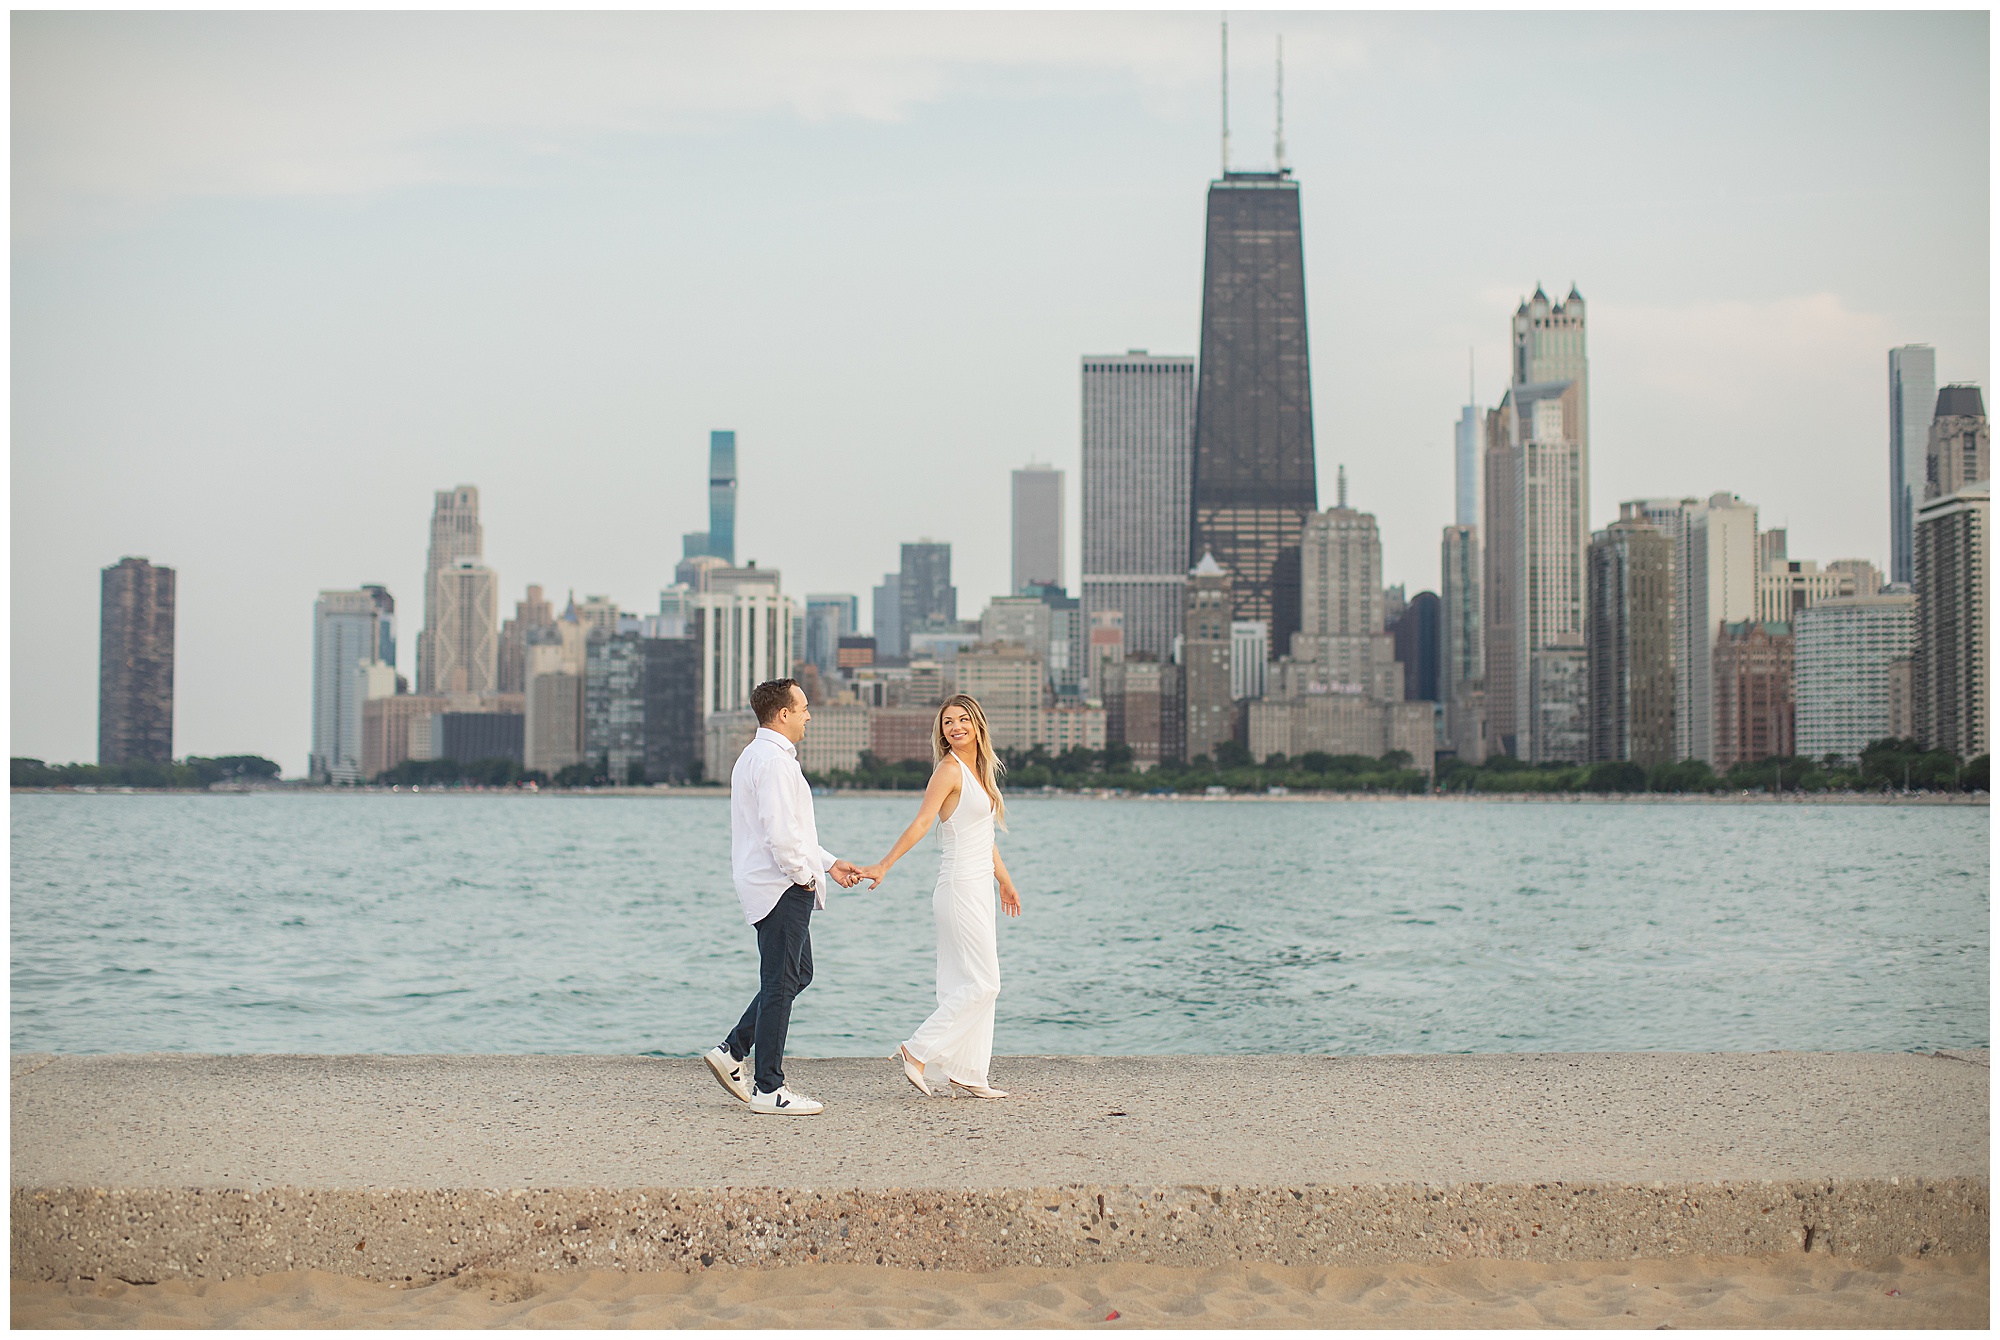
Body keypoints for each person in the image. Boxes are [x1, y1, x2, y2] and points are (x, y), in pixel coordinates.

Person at [703, 678, 861, 1116]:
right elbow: (780, 835)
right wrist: (804, 877)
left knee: (796, 975)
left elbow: (793, 831)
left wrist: (828, 863)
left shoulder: (759, 757)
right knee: (779, 984)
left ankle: (733, 1050)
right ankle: (769, 1089)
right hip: (781, 887)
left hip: (777, 883)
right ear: (784, 714)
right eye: (804, 707)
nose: (809, 715)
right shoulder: (772, 762)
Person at [857, 694, 1022, 1099]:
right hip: (959, 886)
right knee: (985, 983)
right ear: (942, 731)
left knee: (962, 981)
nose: (955, 727)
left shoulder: (979, 772)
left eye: (963, 720)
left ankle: (968, 1072)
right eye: (948, 722)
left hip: (979, 884)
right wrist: (885, 864)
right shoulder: (948, 771)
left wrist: (1005, 880)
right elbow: (921, 823)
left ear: (978, 724)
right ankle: (916, 1050)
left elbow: (983, 837)